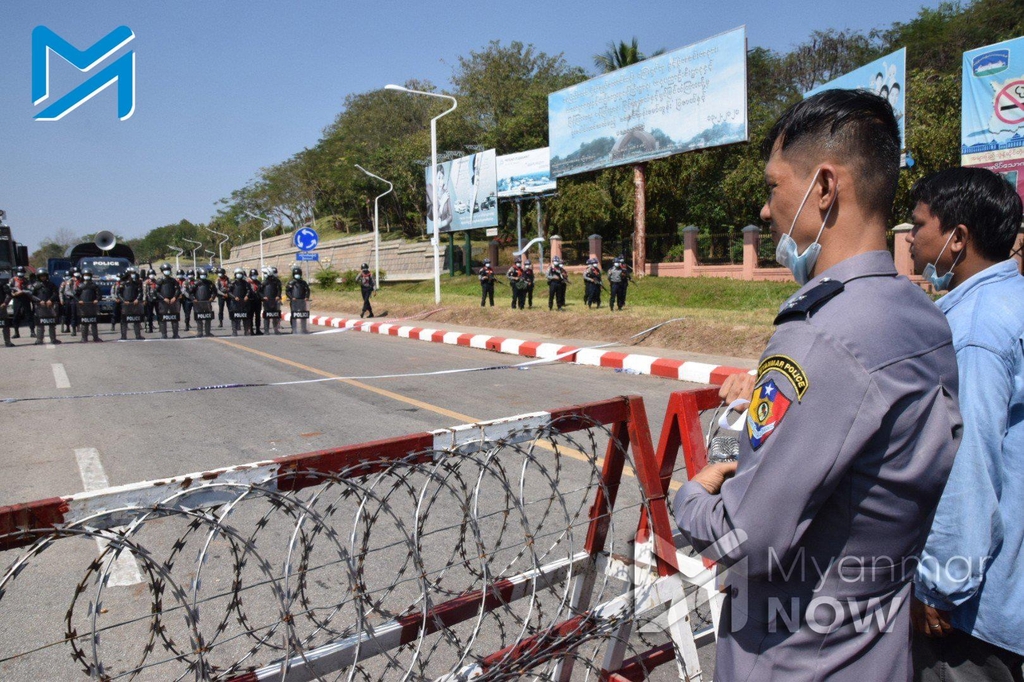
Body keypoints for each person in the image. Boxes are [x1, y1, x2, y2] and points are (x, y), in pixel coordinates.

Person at [674, 89, 962, 682]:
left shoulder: (819, 339)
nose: (765, 210)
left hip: (792, 660)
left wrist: (693, 500)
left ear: (824, 189)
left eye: (775, 186)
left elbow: (746, 539)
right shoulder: (922, 318)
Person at [903, 168, 1024, 681]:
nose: (909, 240)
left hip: (973, 613)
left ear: (957, 238)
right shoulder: (1011, 303)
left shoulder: (973, 329)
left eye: (918, 225)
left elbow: (968, 465)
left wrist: (938, 586)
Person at [30, 269, 61, 345]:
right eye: (41, 276)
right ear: (38, 277)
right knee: (40, 323)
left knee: (52, 323)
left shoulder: (51, 284)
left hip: (50, 306)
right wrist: (39, 300)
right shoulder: (35, 285)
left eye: (44, 276)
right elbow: (31, 295)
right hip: (40, 307)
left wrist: (51, 300)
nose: (43, 277)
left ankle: (53, 339)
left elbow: (55, 293)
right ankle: (39, 340)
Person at [117, 268, 146, 340]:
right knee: (124, 320)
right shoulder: (122, 283)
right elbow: (119, 293)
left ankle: (138, 335)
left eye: (133, 273)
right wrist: (123, 300)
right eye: (130, 274)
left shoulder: (137, 283)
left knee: (136, 320)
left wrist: (137, 299)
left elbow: (140, 292)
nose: (132, 275)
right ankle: (123, 336)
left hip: (135, 303)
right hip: (126, 304)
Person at [74, 269, 103, 342]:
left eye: (88, 275)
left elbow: (99, 295)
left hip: (92, 306)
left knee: (93, 323)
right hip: (83, 306)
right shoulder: (80, 285)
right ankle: (84, 338)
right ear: (83, 276)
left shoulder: (94, 285)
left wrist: (97, 299)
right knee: (84, 323)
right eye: (85, 275)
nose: (86, 277)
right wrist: (79, 300)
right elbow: (75, 295)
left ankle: (95, 338)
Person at [156, 265, 182, 339]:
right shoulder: (160, 280)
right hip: (163, 302)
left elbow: (178, 290)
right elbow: (156, 292)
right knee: (163, 318)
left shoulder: (173, 280)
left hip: (173, 301)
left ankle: (175, 334)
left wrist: (175, 297)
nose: (167, 271)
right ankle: (164, 334)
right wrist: (163, 298)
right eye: (165, 269)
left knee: (174, 317)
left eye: (168, 269)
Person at [191, 268, 217, 338]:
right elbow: (190, 292)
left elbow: (214, 291)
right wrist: (194, 299)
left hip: (207, 302)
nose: (203, 276)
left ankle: (208, 332)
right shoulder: (196, 283)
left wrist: (212, 297)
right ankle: (200, 332)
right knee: (199, 318)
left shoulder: (209, 283)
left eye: (204, 275)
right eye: (202, 275)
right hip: (198, 303)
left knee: (208, 317)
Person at [10, 266, 33, 339]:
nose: (21, 274)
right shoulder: (13, 280)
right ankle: (16, 332)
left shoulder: (26, 280)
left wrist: (23, 291)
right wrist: (15, 293)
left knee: (29, 315)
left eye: (22, 272)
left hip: (25, 298)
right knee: (16, 315)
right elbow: (10, 289)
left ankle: (32, 331)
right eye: (19, 272)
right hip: (17, 299)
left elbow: (30, 289)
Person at [285, 266, 311, 334]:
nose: (297, 275)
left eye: (299, 274)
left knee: (303, 315)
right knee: (294, 315)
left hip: (302, 301)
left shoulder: (303, 283)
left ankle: (304, 328)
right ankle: (293, 329)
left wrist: (306, 297)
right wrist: (291, 297)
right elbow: (287, 291)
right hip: (294, 301)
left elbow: (307, 290)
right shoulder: (291, 283)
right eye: (296, 274)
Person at [261, 266, 284, 334]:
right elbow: (260, 291)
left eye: (265, 273)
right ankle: (266, 330)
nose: (264, 275)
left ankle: (276, 330)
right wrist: (263, 297)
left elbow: (279, 289)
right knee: (266, 316)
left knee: (275, 316)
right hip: (267, 301)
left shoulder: (276, 281)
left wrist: (278, 296)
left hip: (275, 300)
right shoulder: (264, 282)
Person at [228, 268, 250, 336]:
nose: (239, 275)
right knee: (234, 317)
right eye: (238, 273)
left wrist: (247, 296)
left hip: (244, 302)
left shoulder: (246, 283)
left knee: (245, 317)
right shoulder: (232, 283)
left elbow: (249, 290)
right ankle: (234, 331)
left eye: (240, 273)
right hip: (234, 303)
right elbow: (229, 292)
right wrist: (234, 297)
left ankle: (246, 331)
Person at [60, 269, 80, 336]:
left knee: (74, 314)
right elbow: (64, 291)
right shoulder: (68, 282)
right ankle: (67, 327)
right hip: (68, 299)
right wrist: (61, 299)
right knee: (66, 314)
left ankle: (74, 329)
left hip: (75, 300)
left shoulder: (78, 281)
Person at [246, 268, 263, 336]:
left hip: (258, 301)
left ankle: (258, 329)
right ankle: (251, 330)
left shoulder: (258, 282)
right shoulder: (247, 283)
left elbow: (261, 291)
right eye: (253, 275)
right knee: (250, 316)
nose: (254, 276)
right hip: (250, 301)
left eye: (255, 275)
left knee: (258, 316)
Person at [0, 278, 13, 347]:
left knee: (5, 325)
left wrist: (5, 303)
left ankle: (7, 342)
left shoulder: (2, 283)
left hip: (1, 308)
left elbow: (9, 294)